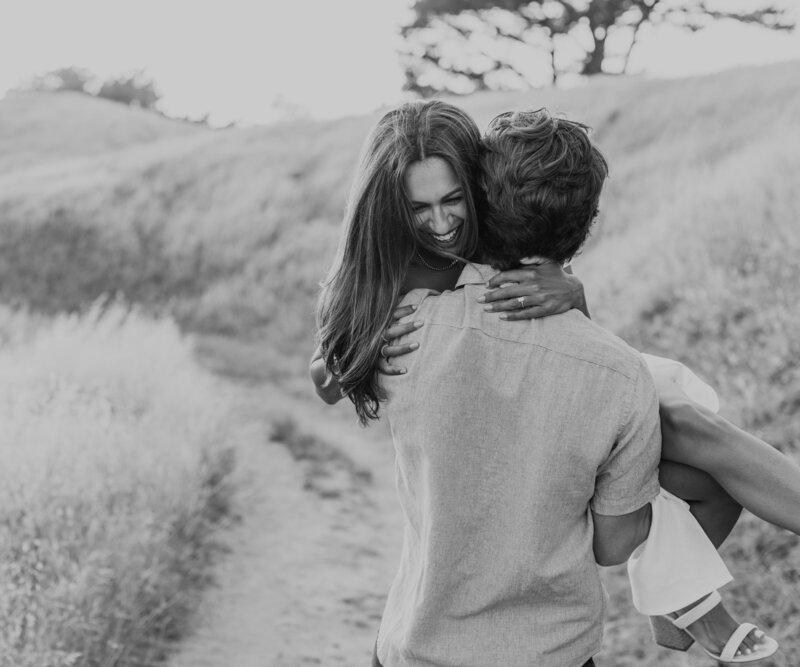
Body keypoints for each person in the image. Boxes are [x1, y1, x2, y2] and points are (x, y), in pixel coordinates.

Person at [311, 101, 783, 664]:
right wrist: (363, 348)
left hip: (544, 382)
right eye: (419, 208)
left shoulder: (491, 235)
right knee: (686, 434)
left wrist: (572, 289)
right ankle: (683, 601)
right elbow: (324, 375)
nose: (441, 224)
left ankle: (681, 598)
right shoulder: (379, 269)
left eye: (454, 199)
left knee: (697, 448)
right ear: (389, 208)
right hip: (502, 384)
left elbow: (553, 327)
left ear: (476, 184)